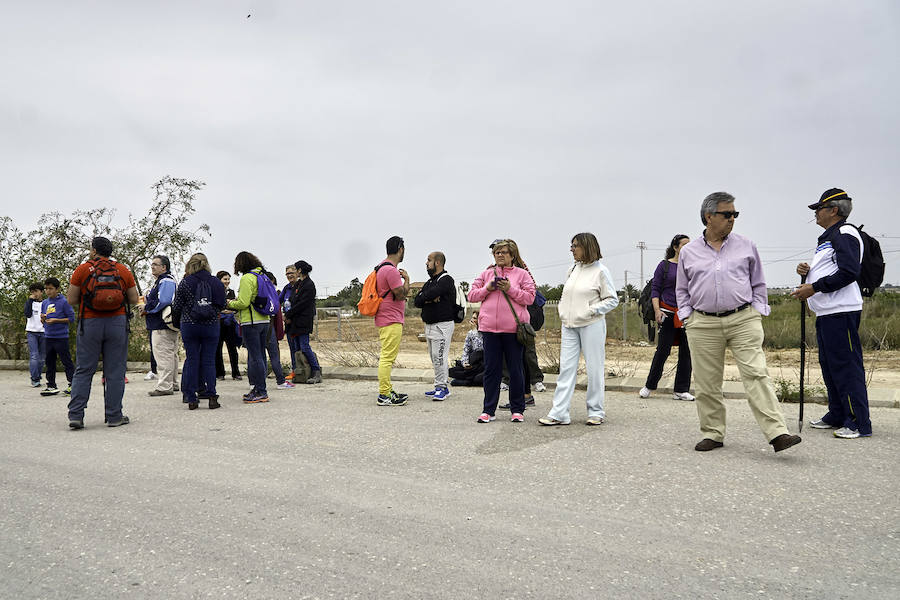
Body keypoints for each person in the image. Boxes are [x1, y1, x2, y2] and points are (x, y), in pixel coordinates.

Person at [676, 192, 801, 453]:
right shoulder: (689, 252)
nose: (732, 219)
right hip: (703, 323)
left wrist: (757, 310)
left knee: (756, 374)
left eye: (735, 214)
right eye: (727, 214)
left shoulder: (746, 245)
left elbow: (759, 282)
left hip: (743, 319)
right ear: (709, 217)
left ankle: (778, 433)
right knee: (707, 381)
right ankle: (713, 433)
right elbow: (682, 289)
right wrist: (688, 316)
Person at [791, 188, 872, 439]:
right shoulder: (829, 237)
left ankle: (858, 422)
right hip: (828, 312)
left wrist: (814, 287)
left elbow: (849, 272)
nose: (815, 213)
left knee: (846, 366)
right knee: (830, 365)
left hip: (841, 311)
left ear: (833, 210)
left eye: (819, 208)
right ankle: (837, 413)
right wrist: (808, 270)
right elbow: (832, 267)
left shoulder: (845, 233)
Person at [538, 233, 618, 426]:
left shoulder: (601, 271)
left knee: (594, 369)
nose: (571, 249)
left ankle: (596, 411)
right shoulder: (572, 269)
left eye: (575, 246)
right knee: (566, 369)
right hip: (569, 326)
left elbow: (612, 299)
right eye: (571, 245)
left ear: (587, 247)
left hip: (592, 325)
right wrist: (563, 311)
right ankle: (559, 412)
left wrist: (591, 310)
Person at [66, 236, 139, 429]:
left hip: (90, 323)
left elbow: (71, 299)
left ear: (93, 250)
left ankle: (76, 416)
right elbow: (133, 299)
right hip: (117, 323)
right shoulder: (122, 270)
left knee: (83, 370)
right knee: (115, 372)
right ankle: (114, 416)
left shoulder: (82, 269)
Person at [468, 239, 535, 423]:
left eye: (504, 252)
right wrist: (487, 288)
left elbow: (530, 298)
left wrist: (510, 289)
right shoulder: (486, 273)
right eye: (497, 252)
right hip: (489, 329)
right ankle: (488, 410)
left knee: (515, 370)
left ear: (512, 255)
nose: (500, 255)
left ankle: (517, 409)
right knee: (491, 370)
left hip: (513, 330)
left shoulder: (522, 275)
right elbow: (472, 295)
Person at [639, 235, 694, 401]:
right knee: (662, 351)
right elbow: (655, 289)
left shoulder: (692, 267)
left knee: (687, 352)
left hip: (686, 314)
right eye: (684, 245)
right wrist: (657, 310)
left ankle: (681, 390)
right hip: (667, 312)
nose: (688, 247)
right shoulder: (664, 266)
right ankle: (649, 386)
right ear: (675, 247)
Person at [172, 253, 226, 410]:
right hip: (211, 325)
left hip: (189, 324)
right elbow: (222, 304)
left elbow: (177, 306)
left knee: (192, 359)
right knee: (209, 360)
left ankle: (190, 397)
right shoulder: (216, 282)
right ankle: (211, 395)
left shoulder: (186, 282)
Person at [227, 251, 272, 404]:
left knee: (255, 356)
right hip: (264, 320)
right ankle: (259, 388)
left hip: (251, 322)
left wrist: (229, 303)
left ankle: (261, 390)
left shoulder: (247, 278)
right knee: (260, 355)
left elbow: (243, 303)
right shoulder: (262, 276)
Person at [413, 251, 456, 400]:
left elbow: (428, 295)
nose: (426, 263)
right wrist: (429, 299)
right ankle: (439, 385)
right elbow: (417, 301)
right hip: (429, 325)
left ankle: (442, 387)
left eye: (429, 260)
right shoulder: (430, 282)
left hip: (442, 326)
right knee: (433, 357)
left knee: (439, 357)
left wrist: (427, 297)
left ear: (437, 263)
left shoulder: (446, 280)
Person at [374, 236, 410, 406]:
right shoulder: (390, 270)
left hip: (386, 318)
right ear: (400, 249)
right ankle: (384, 394)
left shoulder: (382, 267)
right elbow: (401, 294)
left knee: (387, 356)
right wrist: (406, 280)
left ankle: (387, 390)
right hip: (391, 319)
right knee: (387, 358)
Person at [142, 255, 179, 397]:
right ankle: (173, 383)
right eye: (152, 264)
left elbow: (163, 301)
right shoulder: (164, 281)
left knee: (163, 355)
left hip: (161, 324)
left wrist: (147, 308)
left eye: (156, 264)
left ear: (164, 267)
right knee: (171, 354)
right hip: (166, 324)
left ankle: (164, 386)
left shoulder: (165, 281)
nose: (152, 267)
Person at [284, 260, 322, 384]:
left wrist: (289, 314)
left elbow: (302, 304)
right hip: (294, 321)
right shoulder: (299, 284)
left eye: (295, 269)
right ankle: (302, 372)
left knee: (305, 347)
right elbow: (291, 300)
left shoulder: (309, 285)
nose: (294, 272)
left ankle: (316, 371)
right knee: (296, 348)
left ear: (300, 270)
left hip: (304, 321)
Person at [40, 277, 76, 396]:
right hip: (48, 336)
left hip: (61, 337)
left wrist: (56, 320)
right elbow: (43, 320)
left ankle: (73, 384)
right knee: (49, 362)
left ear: (57, 289)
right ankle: (51, 385)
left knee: (66, 361)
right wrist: (43, 319)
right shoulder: (45, 303)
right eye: (46, 289)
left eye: (50, 288)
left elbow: (71, 318)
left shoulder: (64, 302)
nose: (48, 291)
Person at [260, 271, 293, 390]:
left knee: (259, 356)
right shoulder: (274, 293)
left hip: (256, 325)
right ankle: (280, 381)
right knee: (274, 354)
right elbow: (277, 313)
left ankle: (257, 382)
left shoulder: (256, 292)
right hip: (269, 326)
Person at [215, 270, 242, 380]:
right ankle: (220, 373)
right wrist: (224, 308)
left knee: (232, 349)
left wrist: (228, 308)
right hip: (219, 323)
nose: (227, 281)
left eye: (228, 279)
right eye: (225, 279)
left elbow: (233, 307)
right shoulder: (215, 291)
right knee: (218, 348)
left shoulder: (231, 292)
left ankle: (236, 372)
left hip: (230, 324)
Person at [449, 311, 484, 387]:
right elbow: (466, 350)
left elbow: (480, 348)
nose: (472, 320)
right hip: (472, 363)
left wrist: (475, 331)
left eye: (475, 318)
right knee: (451, 371)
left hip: (482, 364)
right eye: (472, 317)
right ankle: (468, 378)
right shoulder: (470, 333)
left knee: (478, 378)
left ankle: (468, 381)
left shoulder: (486, 332)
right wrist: (464, 362)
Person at [24, 282, 45, 387]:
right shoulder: (29, 303)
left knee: (42, 358)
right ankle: (34, 378)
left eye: (36, 291)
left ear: (41, 292)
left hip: (44, 332)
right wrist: (30, 300)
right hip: (32, 332)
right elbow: (27, 314)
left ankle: (37, 375)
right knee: (34, 355)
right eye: (32, 292)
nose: (34, 294)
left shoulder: (46, 303)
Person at [281, 264, 300, 381]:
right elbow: (278, 301)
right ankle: (294, 370)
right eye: (287, 273)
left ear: (297, 273)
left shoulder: (300, 286)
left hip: (298, 322)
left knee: (301, 347)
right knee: (292, 347)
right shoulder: (286, 288)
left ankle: (303, 369)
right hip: (288, 322)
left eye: (291, 273)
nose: (289, 276)